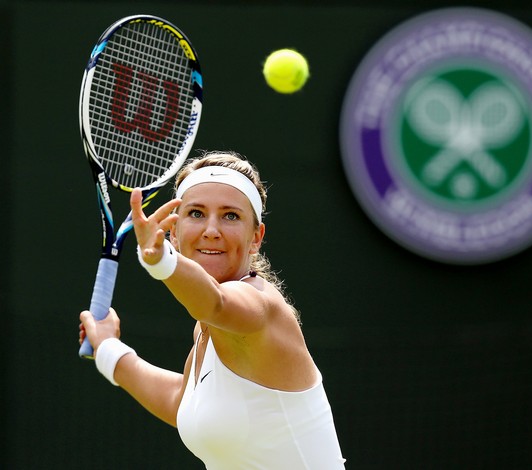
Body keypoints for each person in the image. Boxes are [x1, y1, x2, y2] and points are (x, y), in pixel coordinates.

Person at [79, 150, 346, 469]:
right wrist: (109, 348)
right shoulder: (206, 330)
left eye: (230, 216)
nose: (211, 230)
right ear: (174, 233)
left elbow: (216, 303)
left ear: (256, 238)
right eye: (196, 213)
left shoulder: (259, 307)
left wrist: (161, 261)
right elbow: (183, 402)